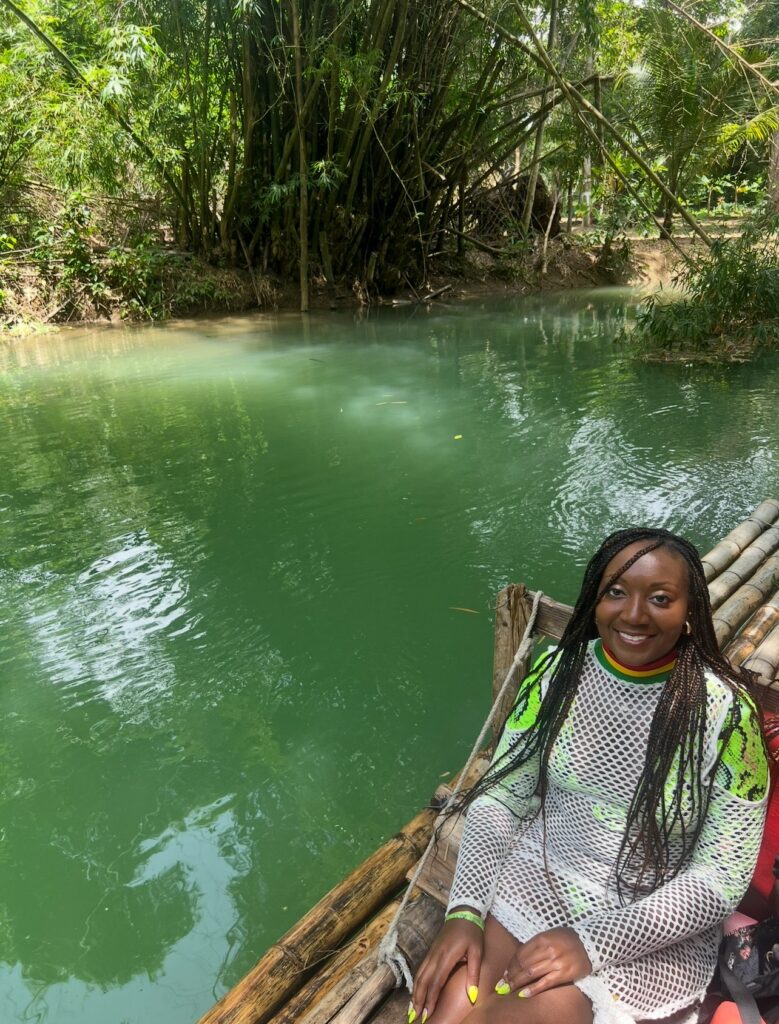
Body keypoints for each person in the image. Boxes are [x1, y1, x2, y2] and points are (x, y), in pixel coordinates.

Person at [410, 527, 769, 1024]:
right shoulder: (557, 673)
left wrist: (594, 943)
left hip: (648, 922)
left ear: (691, 610)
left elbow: (722, 876)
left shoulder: (727, 717)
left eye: (660, 598)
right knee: (443, 1007)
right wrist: (465, 910)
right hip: (538, 877)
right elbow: (501, 800)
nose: (634, 614)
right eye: (615, 592)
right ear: (594, 599)